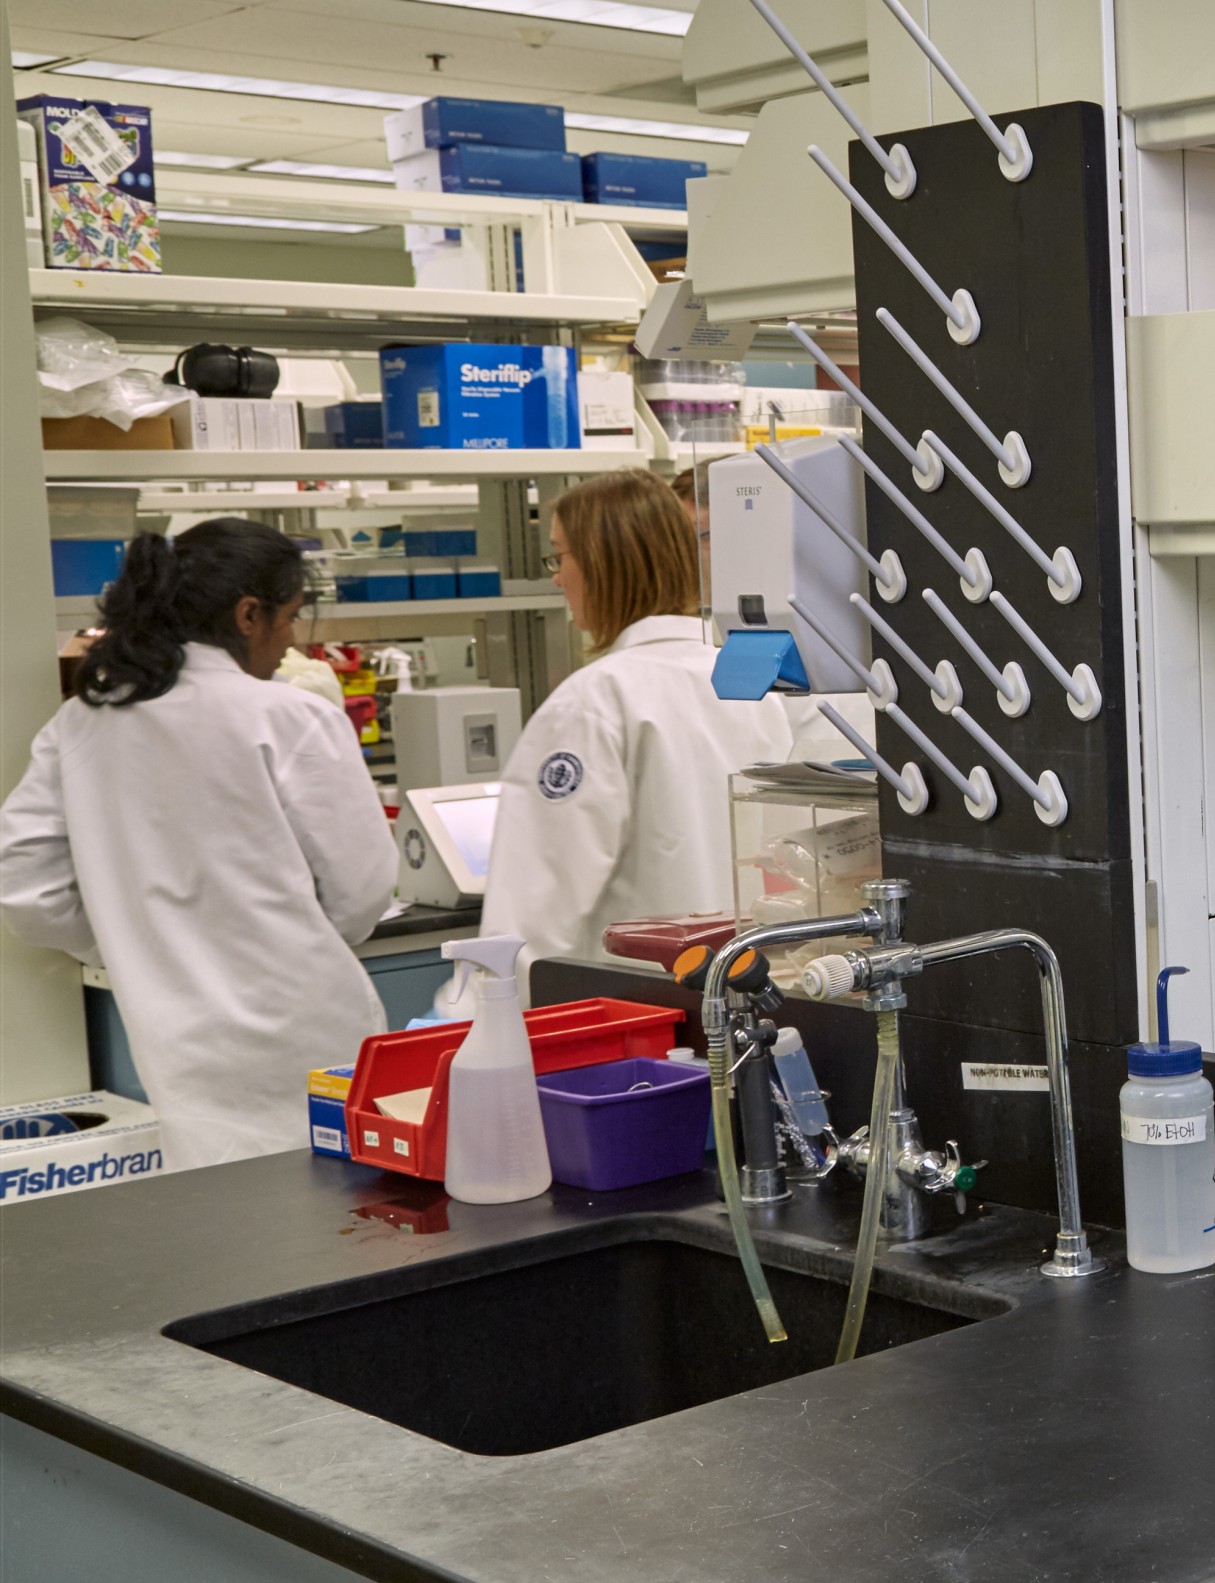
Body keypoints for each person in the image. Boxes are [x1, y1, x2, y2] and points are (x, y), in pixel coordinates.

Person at [0, 521, 396, 1168]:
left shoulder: (79, 723)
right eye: (290, 617)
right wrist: (274, 932)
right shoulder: (286, 715)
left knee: (224, 1231)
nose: (292, 638)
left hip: (173, 1038)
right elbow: (361, 892)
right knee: (341, 1219)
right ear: (248, 614)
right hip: (304, 1027)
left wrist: (140, 939)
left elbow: (27, 892)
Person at [462, 470, 794, 998]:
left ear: (602, 564)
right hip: (746, 994)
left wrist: (479, 1021)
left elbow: (535, 907)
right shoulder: (747, 683)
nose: (556, 578)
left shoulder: (594, 700)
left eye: (560, 557)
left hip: (631, 1015)